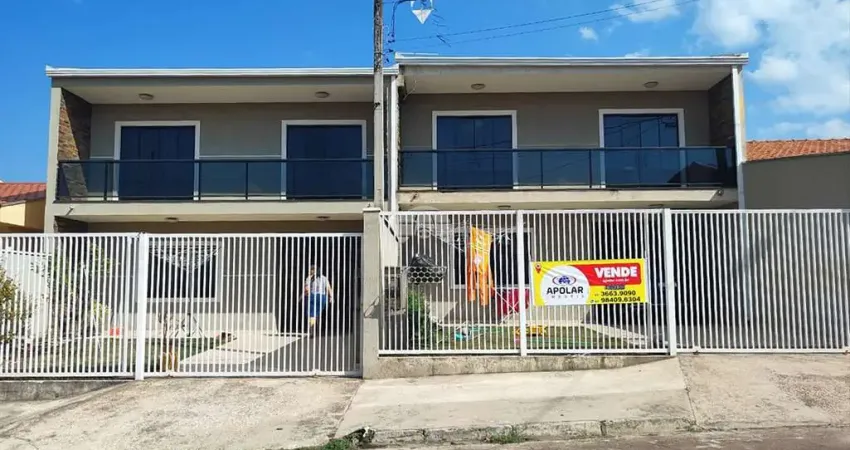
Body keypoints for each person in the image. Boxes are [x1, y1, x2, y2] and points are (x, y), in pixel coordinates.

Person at [303, 264, 333, 338]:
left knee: (312, 315)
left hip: (313, 297)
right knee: (318, 314)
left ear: (313, 270)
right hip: (322, 297)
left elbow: (306, 290)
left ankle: (312, 332)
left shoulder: (309, 278)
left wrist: (305, 294)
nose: (309, 271)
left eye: (310, 269)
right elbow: (329, 288)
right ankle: (319, 331)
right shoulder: (324, 278)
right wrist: (331, 297)